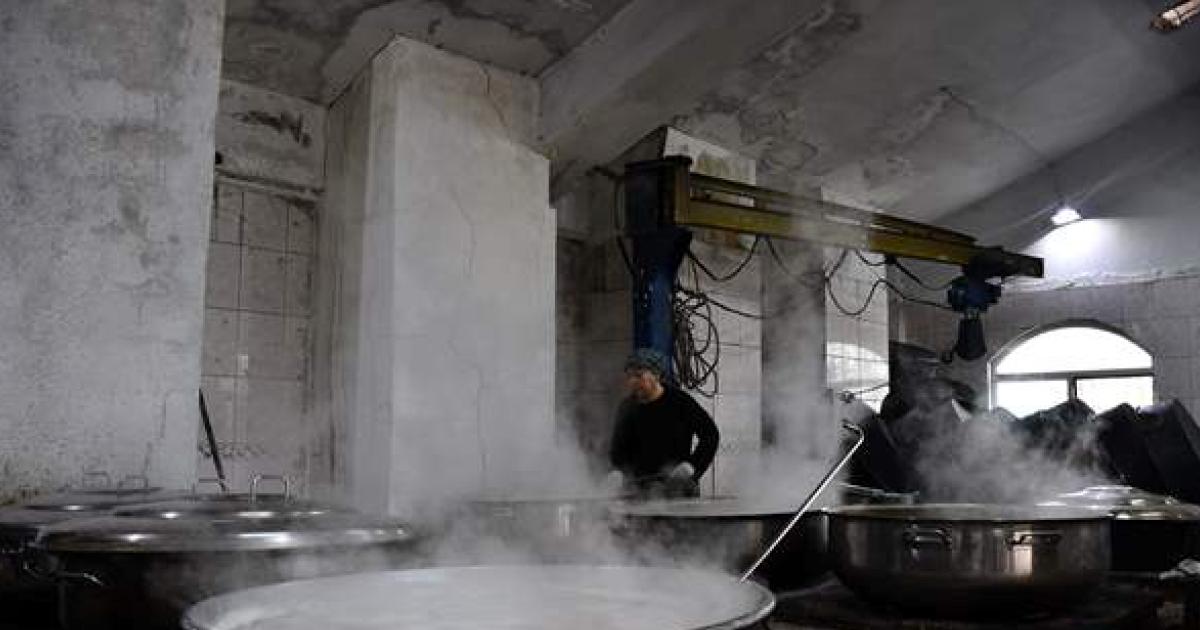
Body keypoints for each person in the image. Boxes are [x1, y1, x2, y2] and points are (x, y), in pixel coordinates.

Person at [608, 348, 719, 498]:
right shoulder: (627, 407)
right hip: (638, 491)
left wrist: (692, 465)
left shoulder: (680, 402)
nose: (632, 382)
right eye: (629, 377)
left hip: (677, 489)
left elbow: (710, 435)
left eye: (638, 376)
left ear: (656, 375)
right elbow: (618, 449)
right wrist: (617, 472)